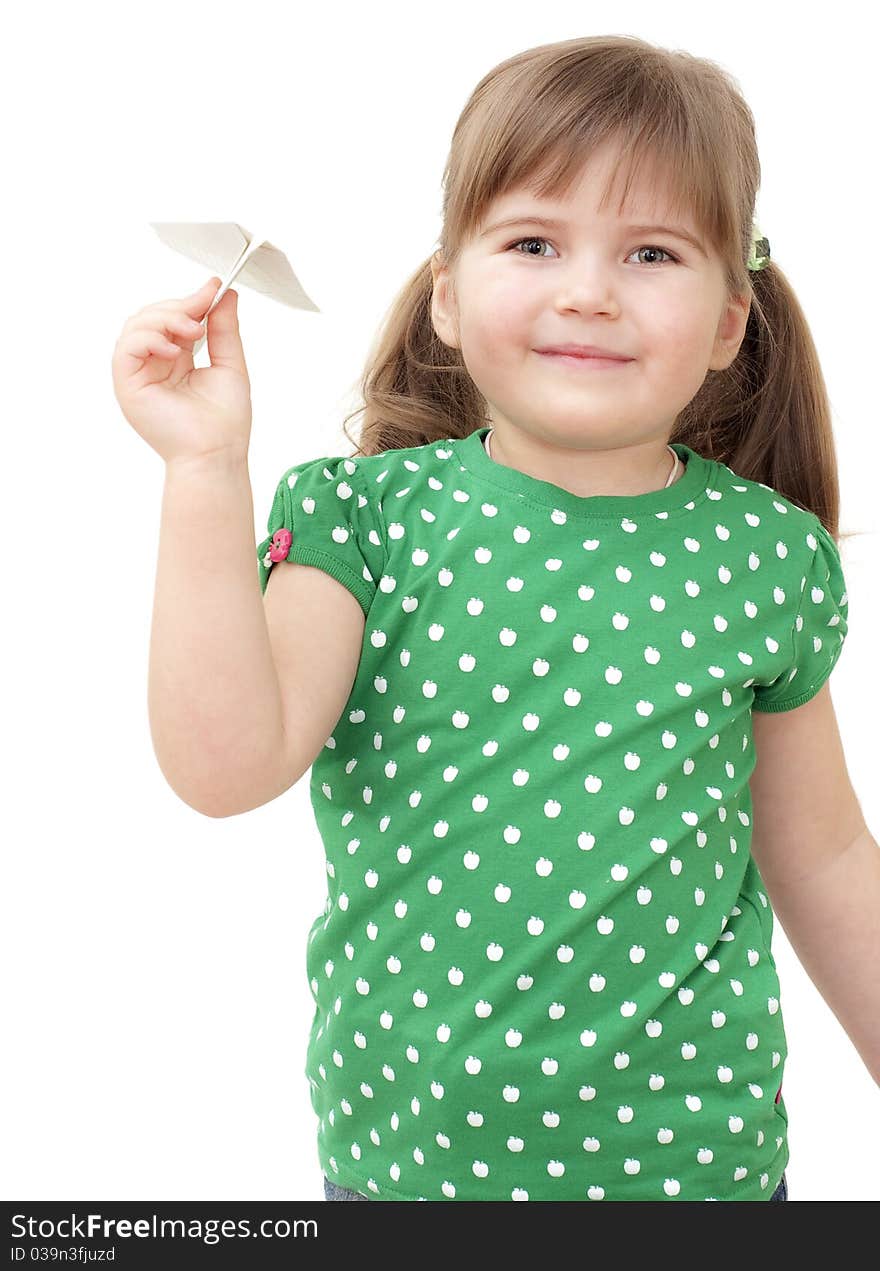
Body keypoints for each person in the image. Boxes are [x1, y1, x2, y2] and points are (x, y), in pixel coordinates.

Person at [111, 34, 878, 1203]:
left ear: (729, 323)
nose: (588, 290)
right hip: (406, 1173)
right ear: (449, 298)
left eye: (652, 251)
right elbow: (226, 764)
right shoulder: (363, 522)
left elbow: (823, 856)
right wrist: (206, 467)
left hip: (701, 1176)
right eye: (533, 241)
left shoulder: (762, 554)